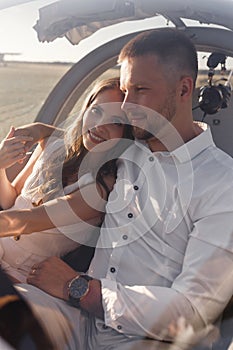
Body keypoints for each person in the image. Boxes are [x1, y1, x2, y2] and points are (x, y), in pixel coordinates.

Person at [12, 28, 233, 350]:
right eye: (126, 90)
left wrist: (81, 288)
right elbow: (87, 130)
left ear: (184, 89)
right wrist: (41, 131)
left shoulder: (222, 184)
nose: (127, 107)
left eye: (141, 90)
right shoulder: (127, 150)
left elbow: (193, 311)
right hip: (77, 319)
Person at [0, 77, 133, 283]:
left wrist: (41, 129)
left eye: (115, 122)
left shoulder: (97, 192)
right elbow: (10, 200)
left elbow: (26, 221)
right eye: (96, 111)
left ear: (126, 133)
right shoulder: (53, 147)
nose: (99, 126)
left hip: (19, 276)